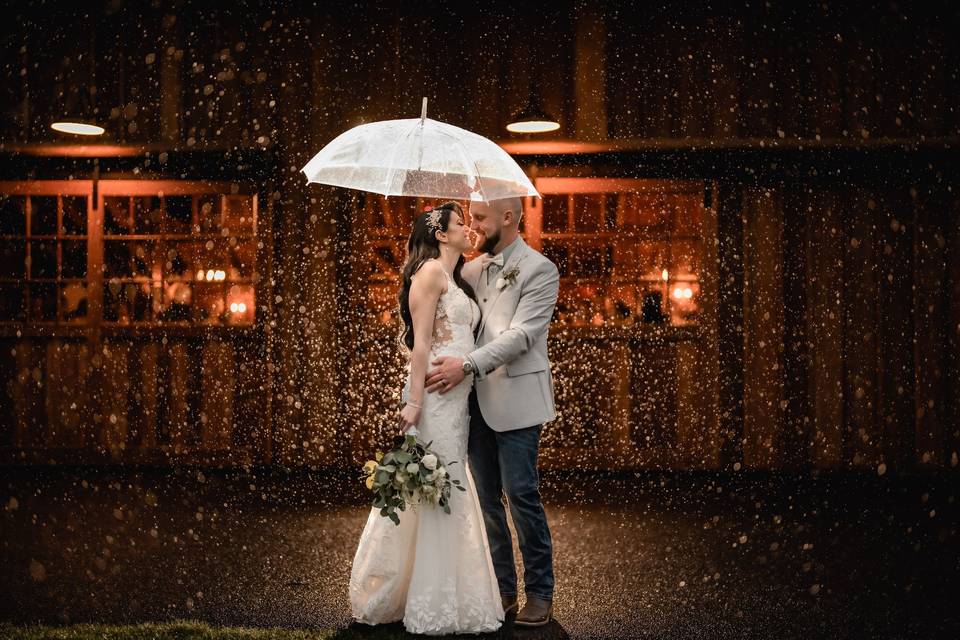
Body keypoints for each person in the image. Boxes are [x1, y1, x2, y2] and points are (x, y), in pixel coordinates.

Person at [349, 202, 504, 635]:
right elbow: (420, 347)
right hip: (434, 398)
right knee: (435, 485)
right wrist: (413, 405)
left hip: (459, 401)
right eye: (460, 224)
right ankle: (425, 597)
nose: (467, 228)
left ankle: (445, 591)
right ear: (440, 234)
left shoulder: (457, 279)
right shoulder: (430, 273)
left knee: (444, 483)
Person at [425, 196, 560, 627]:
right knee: (485, 501)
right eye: (469, 219)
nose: (474, 227)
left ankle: (540, 592)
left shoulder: (541, 270)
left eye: (480, 218)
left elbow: (522, 336)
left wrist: (466, 363)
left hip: (517, 401)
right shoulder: (470, 268)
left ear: (508, 217)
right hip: (472, 402)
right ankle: (500, 589)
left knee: (521, 495)